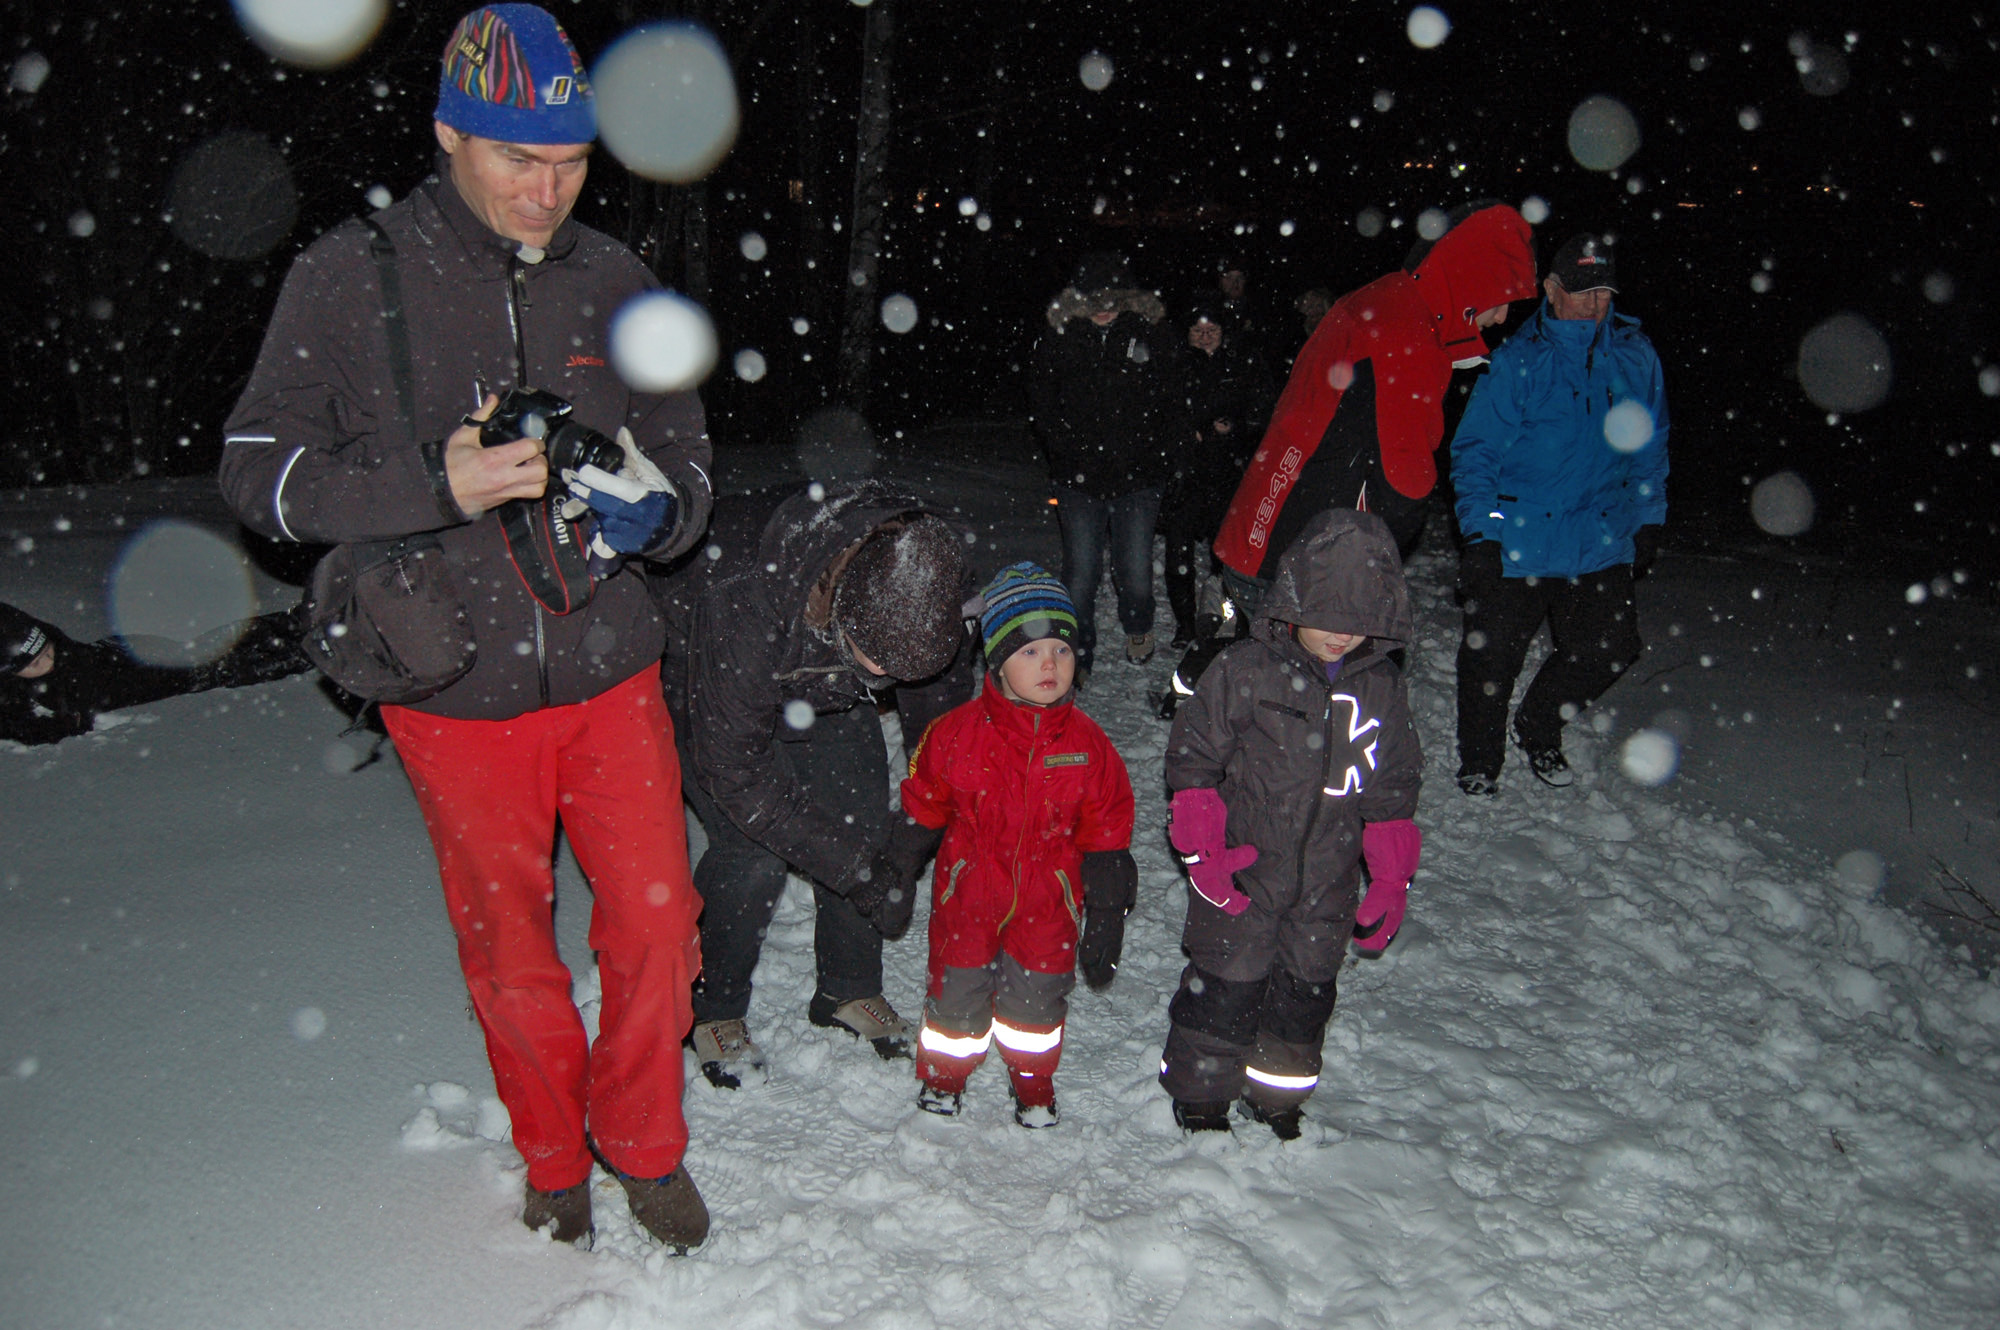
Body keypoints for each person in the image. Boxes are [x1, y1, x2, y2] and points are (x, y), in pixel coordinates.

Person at [217, 6, 716, 1251]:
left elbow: (690, 460)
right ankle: (554, 1157)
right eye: (516, 160)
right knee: (509, 947)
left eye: (570, 164)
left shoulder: (613, 278)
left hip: (609, 668)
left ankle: (644, 1146)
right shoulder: (348, 275)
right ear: (448, 132)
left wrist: (662, 517)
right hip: (449, 683)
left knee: (658, 925)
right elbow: (253, 472)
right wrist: (432, 483)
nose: (546, 192)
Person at [654, 479, 973, 1090]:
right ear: (844, 612)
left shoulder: (931, 581)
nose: (884, 687)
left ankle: (847, 991)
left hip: (820, 675)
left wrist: (916, 827)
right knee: (752, 848)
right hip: (709, 669)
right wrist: (857, 871)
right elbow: (738, 775)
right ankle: (712, 1006)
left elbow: (939, 715)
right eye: (875, 670)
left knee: (862, 818)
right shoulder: (745, 597)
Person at [1160, 204, 1538, 717]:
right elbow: (1406, 480)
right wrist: (1377, 561)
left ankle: (1198, 698)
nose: (1501, 318)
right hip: (1301, 540)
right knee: (1298, 700)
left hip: (1279, 527)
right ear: (1475, 280)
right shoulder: (1405, 329)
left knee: (1268, 658)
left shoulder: (1392, 303)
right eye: (1502, 300)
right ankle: (1221, 741)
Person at [1159, 508, 1423, 1140]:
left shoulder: (1380, 690)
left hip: (1327, 880)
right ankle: (1201, 1091)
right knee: (1226, 983)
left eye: (1358, 623)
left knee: (1304, 994)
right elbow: (1194, 756)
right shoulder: (1246, 671)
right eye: (1326, 618)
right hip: (1245, 868)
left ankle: (1277, 1094)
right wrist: (1203, 843)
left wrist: (1389, 877)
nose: (1339, 636)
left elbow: (1392, 788)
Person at [900, 563, 1137, 1127]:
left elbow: (1108, 826)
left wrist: (1106, 909)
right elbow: (924, 802)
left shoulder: (1087, 745)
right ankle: (944, 1076)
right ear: (998, 660)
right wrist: (896, 864)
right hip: (969, 893)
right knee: (956, 995)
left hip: (1048, 899)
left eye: (1061, 649)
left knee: (1038, 1002)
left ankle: (1032, 1083)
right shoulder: (955, 733)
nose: (1049, 664)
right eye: (1029, 652)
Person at [1450, 232, 1669, 794]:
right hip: (1519, 535)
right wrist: (1480, 534)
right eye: (1580, 290)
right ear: (1550, 290)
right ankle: (1479, 760)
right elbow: (1477, 452)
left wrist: (1649, 518)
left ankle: (1540, 723)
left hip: (1598, 535)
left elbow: (1650, 446)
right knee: (1491, 656)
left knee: (1612, 648)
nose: (1594, 304)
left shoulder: (1635, 356)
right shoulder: (1519, 361)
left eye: (1602, 291)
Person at [1025, 251, 1181, 673]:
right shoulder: (1061, 335)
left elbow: (1172, 398)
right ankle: (1078, 646)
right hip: (1078, 481)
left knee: (1134, 570)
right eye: (1096, 298)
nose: (1105, 306)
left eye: (1114, 297)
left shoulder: (1148, 333)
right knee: (1081, 572)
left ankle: (1138, 624)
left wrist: (1157, 453)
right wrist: (1066, 451)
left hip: (1138, 479)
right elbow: (1041, 399)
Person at [1, 601, 307, 746]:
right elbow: (23, 727)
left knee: (204, 651)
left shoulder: (25, 631)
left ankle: (298, 621)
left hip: (114, 656)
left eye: (47, 651)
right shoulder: (11, 694)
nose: (47, 661)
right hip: (129, 683)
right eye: (35, 663)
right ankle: (309, 653)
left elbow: (63, 653)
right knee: (208, 669)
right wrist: (66, 723)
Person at [1160, 300, 1275, 653]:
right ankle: (1184, 624)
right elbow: (1162, 413)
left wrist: (1232, 428)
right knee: (1179, 557)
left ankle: (1224, 620)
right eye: (1199, 330)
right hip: (1185, 475)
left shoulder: (1241, 365)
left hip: (1228, 477)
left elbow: (1260, 413)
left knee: (1224, 558)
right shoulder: (1174, 366)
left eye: (1213, 330)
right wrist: (1190, 432)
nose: (1206, 337)